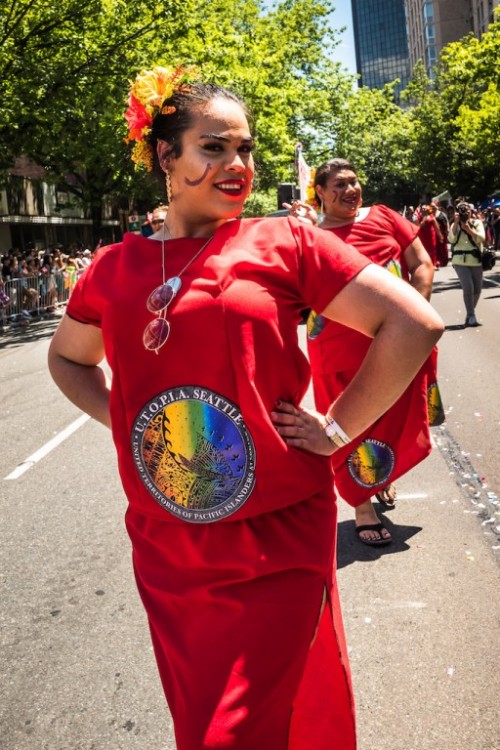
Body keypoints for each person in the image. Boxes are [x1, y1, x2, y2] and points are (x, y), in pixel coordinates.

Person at [48, 65, 443, 750]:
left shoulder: (283, 242)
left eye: (246, 149)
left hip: (277, 537)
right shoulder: (111, 269)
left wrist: (340, 428)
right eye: (215, 147)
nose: (238, 165)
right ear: (165, 155)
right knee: (201, 721)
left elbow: (412, 323)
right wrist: (127, 421)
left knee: (237, 730)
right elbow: (67, 358)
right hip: (168, 547)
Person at [286, 158, 436, 546]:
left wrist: (410, 316)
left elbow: (421, 263)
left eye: (353, 182)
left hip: (395, 342)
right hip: (335, 347)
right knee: (348, 418)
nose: (350, 190)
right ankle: (362, 504)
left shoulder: (385, 217)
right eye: (338, 184)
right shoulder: (309, 233)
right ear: (319, 191)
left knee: (392, 413)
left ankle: (379, 474)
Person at [449, 201, 485, 327]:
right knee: (468, 287)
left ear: (471, 211)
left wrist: (468, 229)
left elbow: (481, 238)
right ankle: (471, 316)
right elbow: (451, 239)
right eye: (462, 211)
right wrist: (457, 222)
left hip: (475, 260)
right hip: (459, 261)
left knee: (478, 290)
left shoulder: (477, 223)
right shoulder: (455, 224)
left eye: (467, 210)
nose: (465, 212)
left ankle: (470, 312)